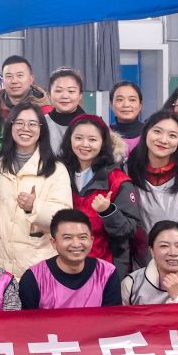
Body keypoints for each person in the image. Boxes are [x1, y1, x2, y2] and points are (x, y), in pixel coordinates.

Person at [107, 112, 178, 272]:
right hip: (132, 264)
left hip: (173, 262)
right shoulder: (124, 170)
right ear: (146, 132)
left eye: (172, 135)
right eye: (157, 131)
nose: (163, 140)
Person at [0, 106, 74, 276]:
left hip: (38, 267)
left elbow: (63, 220)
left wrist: (33, 207)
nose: (25, 128)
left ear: (42, 129)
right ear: (10, 126)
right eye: (19, 123)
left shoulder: (55, 169)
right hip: (1, 265)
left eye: (33, 124)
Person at [13, 210, 121, 309]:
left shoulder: (107, 273)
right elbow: (26, 322)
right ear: (53, 242)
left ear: (91, 240)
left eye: (82, 237)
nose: (76, 244)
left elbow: (112, 319)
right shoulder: (34, 278)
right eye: (67, 238)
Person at [62, 113, 125, 265]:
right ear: (69, 139)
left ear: (103, 142)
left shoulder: (116, 179)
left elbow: (127, 230)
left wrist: (108, 212)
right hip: (61, 262)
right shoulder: (59, 172)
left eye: (92, 140)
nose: (85, 144)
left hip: (100, 264)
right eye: (78, 138)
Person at [41, 68, 87, 153]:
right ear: (49, 95)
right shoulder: (41, 123)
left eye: (71, 91)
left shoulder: (92, 124)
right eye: (58, 91)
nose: (65, 96)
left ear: (80, 95)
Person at [0, 54, 43, 124]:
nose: (14, 81)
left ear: (31, 79)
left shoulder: (44, 107)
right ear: (3, 80)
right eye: (9, 76)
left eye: (20, 75)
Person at [107, 80, 145, 153]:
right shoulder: (104, 134)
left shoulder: (150, 133)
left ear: (140, 105)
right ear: (111, 105)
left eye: (132, 100)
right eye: (120, 100)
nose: (126, 105)